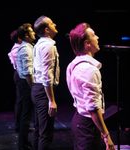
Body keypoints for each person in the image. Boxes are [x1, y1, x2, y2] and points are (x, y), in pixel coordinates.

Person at [66, 22, 115, 150]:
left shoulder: (73, 64)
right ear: (87, 44)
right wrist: (106, 136)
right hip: (87, 125)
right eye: (94, 35)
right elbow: (93, 108)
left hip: (80, 121)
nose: (97, 37)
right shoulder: (89, 70)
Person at [31, 15, 60, 150]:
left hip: (38, 89)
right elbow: (47, 75)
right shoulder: (48, 46)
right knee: (45, 134)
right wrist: (51, 100)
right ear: (47, 30)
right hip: (43, 91)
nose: (55, 24)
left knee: (39, 130)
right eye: (52, 23)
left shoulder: (39, 44)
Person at [16, 23, 36, 150]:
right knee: (26, 115)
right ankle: (23, 145)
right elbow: (28, 72)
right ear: (26, 36)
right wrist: (33, 87)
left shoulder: (28, 46)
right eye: (32, 32)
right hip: (26, 84)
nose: (34, 33)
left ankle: (24, 143)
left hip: (25, 83)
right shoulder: (25, 49)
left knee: (26, 114)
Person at [7, 29, 22, 132]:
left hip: (20, 75)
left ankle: (20, 124)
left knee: (21, 101)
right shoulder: (17, 50)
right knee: (20, 101)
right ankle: (18, 125)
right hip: (20, 75)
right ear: (19, 38)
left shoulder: (19, 48)